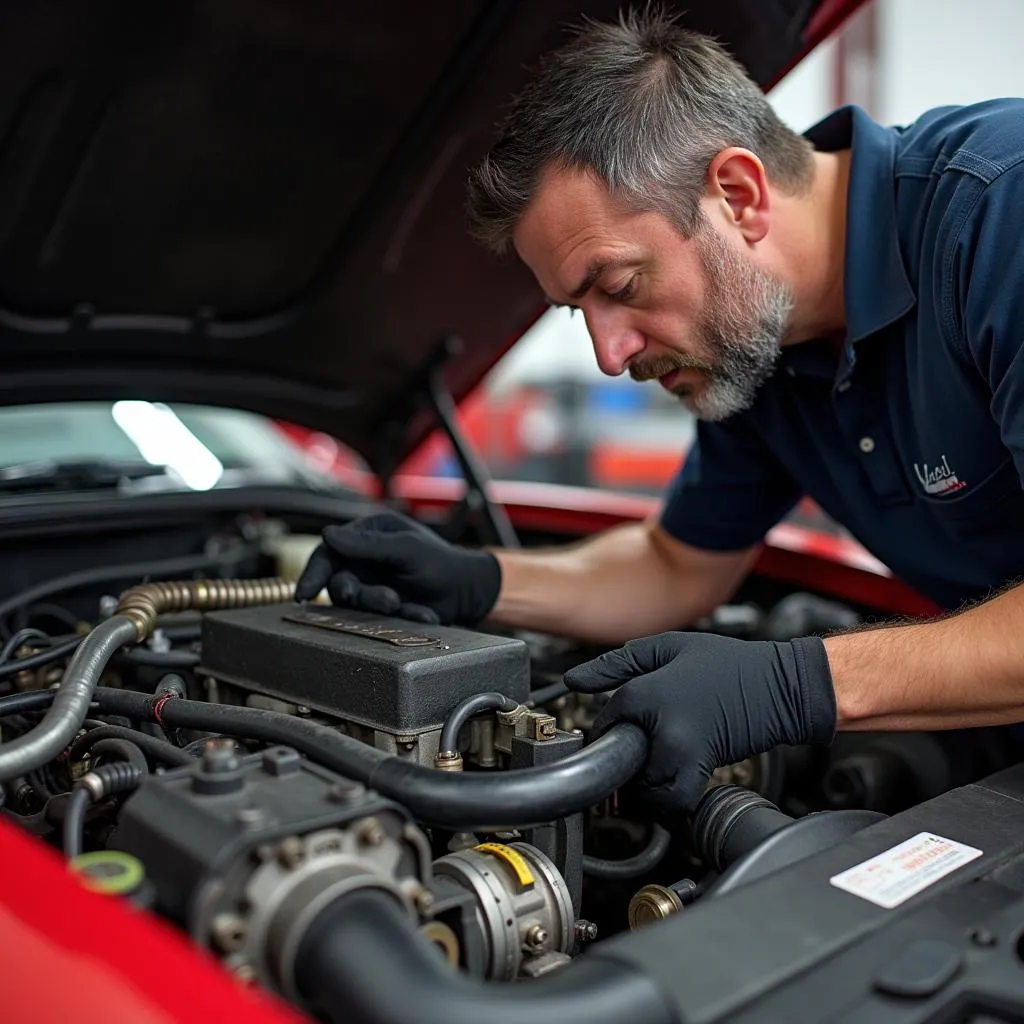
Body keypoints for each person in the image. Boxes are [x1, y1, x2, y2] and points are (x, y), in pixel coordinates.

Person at [296, 8, 1024, 811]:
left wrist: (794, 684)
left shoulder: (999, 216)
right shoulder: (761, 345)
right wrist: (478, 581)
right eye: (580, 314)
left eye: (618, 287)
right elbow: (678, 567)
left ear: (740, 197)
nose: (611, 355)